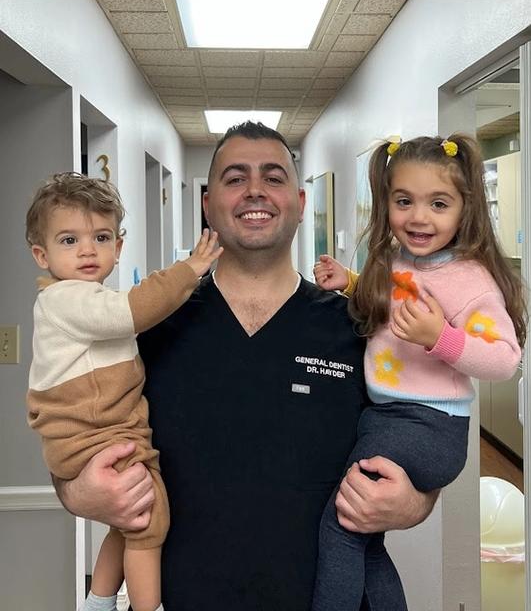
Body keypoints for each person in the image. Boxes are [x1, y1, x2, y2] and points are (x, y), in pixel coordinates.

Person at [53, 123, 439, 611]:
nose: (255, 190)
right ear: (208, 203)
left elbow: (424, 439)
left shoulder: (363, 327)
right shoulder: (148, 327)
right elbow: (72, 435)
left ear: (299, 202)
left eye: (273, 177)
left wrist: (414, 503)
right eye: (236, 178)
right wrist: (78, 491)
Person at [312, 134, 526, 611]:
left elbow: (504, 358)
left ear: (464, 209)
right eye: (404, 201)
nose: (419, 217)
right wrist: (347, 283)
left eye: (439, 203)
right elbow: (386, 310)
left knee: (340, 528)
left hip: (429, 425)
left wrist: (440, 338)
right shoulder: (393, 260)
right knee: (366, 541)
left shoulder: (469, 278)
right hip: (388, 420)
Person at [25, 172, 222, 611]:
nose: (88, 250)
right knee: (150, 518)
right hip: (91, 433)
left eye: (100, 236)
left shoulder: (87, 297)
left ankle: (97, 601)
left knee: (126, 521)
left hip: (108, 430)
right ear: (42, 254)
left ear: (118, 246)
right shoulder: (67, 299)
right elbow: (132, 310)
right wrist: (188, 271)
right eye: (69, 240)